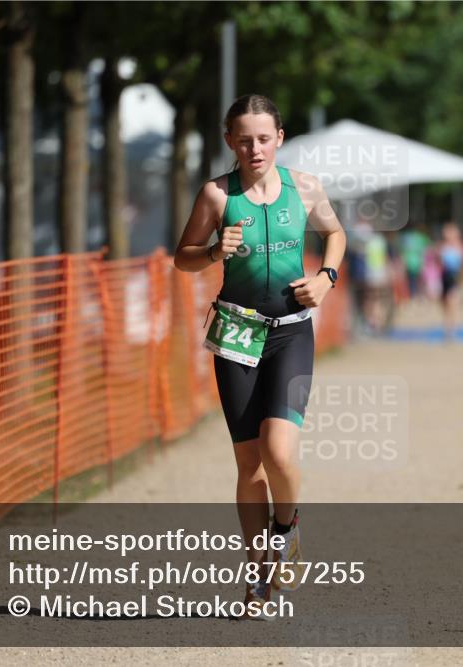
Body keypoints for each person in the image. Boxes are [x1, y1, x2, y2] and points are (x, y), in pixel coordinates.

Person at [174, 94, 346, 616]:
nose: (254, 148)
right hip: (236, 334)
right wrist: (211, 253)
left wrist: (326, 277)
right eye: (244, 139)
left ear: (280, 139)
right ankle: (257, 581)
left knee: (280, 452)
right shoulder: (216, 195)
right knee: (249, 465)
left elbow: (335, 234)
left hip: (292, 332)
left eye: (264, 138)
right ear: (229, 141)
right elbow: (182, 258)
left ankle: (287, 526)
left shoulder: (305, 188)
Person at [436, 222, 463, 340]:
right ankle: (447, 329)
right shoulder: (442, 247)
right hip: (444, 278)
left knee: (452, 303)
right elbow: (438, 264)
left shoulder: (461, 247)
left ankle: (452, 330)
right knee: (445, 306)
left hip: (455, 278)